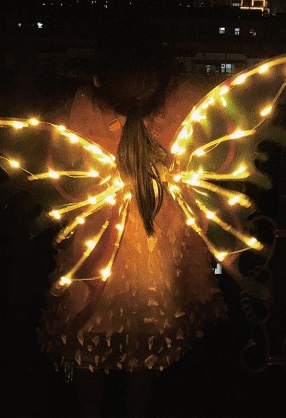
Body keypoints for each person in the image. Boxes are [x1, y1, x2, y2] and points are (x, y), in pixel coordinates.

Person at [37, 24, 228, 414]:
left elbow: (49, 151)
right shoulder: (186, 105)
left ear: (99, 79)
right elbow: (219, 128)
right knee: (144, 352)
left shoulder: (81, 112)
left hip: (96, 255)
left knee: (88, 347)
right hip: (158, 257)